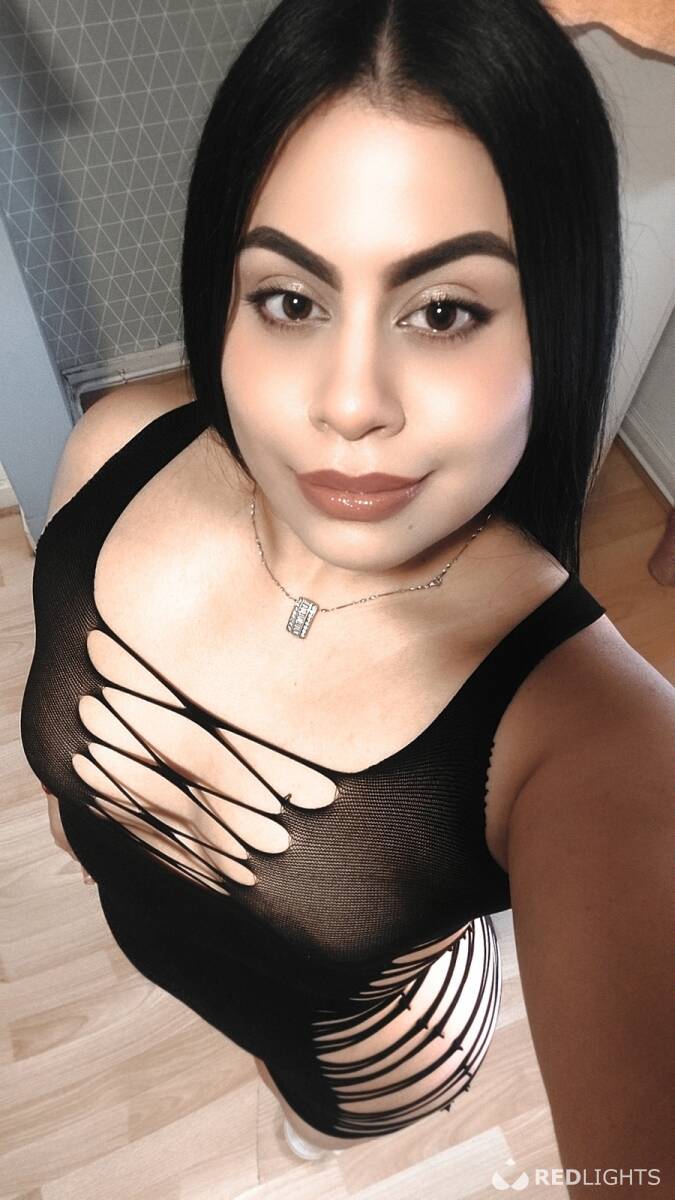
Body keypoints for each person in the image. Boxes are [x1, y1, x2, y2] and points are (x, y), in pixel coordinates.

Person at [20, 0, 673, 1178]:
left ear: (556, 319)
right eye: (292, 300)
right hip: (162, 948)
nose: (352, 402)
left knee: (313, 1124)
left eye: (444, 311)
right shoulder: (113, 446)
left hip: (364, 1060)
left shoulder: (593, 736)